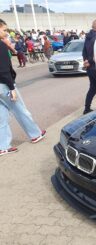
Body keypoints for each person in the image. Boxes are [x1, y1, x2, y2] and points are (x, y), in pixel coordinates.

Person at [0, 19, 46, 156]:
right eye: (3, 29)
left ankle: (3, 146)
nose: (6, 33)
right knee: (20, 110)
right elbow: (3, 70)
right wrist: (12, 88)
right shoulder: (1, 46)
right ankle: (35, 134)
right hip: (4, 85)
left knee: (1, 117)